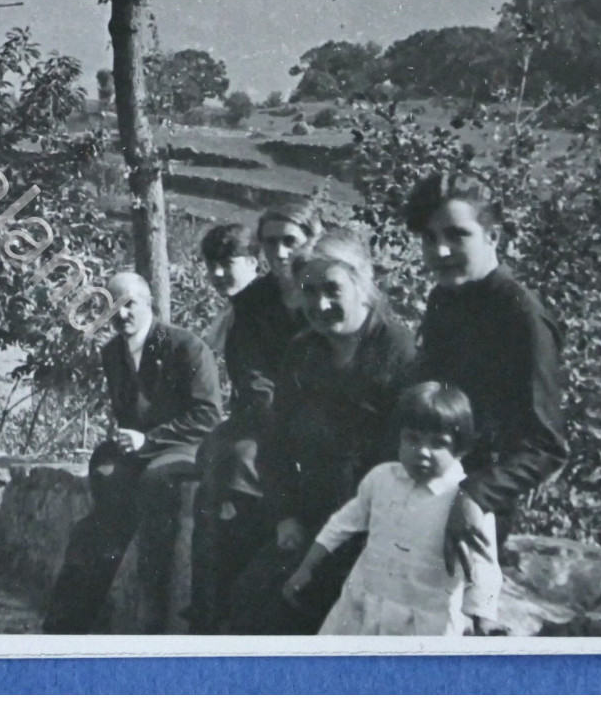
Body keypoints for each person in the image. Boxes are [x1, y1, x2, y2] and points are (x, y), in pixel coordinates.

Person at [223, 228, 422, 634]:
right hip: (311, 516)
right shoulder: (303, 351)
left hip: (375, 526)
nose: (320, 304)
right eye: (309, 291)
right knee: (246, 600)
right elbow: (275, 445)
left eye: (332, 289)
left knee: (300, 608)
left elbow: (405, 461)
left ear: (363, 285)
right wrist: (286, 516)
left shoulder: (396, 353)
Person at [403, 171, 569, 573]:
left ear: (493, 237)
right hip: (426, 475)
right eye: (429, 238)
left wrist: (473, 495)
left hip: (475, 504)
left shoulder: (522, 317)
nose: (440, 251)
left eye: (456, 235)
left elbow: (546, 449)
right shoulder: (445, 296)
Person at [43, 272, 223, 634]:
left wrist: (150, 440)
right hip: (141, 451)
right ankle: (68, 623)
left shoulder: (185, 347)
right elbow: (127, 414)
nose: (121, 315)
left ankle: (152, 614)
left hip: (182, 449)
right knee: (101, 502)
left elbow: (208, 416)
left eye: (129, 305)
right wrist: (130, 441)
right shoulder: (113, 353)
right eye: (111, 308)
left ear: (148, 304)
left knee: (156, 491)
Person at [185, 201, 322, 633]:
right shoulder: (252, 303)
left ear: (312, 243)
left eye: (290, 242)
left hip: (324, 420)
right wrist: (283, 424)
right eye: (270, 243)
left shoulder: (326, 292)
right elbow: (253, 377)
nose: (280, 253)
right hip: (266, 419)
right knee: (229, 464)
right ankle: (209, 609)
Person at [283, 381, 503, 636]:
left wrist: (483, 619)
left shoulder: (466, 502)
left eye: (437, 443)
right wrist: (307, 567)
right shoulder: (381, 479)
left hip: (425, 624)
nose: (422, 451)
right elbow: (341, 524)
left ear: (461, 448)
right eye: (412, 439)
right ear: (398, 438)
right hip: (362, 609)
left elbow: (485, 565)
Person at [199, 222, 262, 356]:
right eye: (211, 266)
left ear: (251, 263)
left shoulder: (264, 309)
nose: (218, 273)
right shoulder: (232, 308)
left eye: (226, 264)